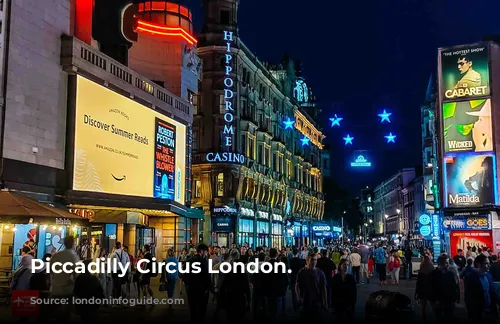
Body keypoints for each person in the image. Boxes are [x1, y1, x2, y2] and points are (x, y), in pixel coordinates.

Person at [49, 236, 80, 320]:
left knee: (56, 312)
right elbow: (76, 274)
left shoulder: (56, 255)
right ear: (73, 243)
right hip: (67, 289)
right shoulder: (73, 256)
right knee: (66, 314)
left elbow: (51, 271)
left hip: (55, 288)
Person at [218, 249, 251, 320]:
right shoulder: (243, 267)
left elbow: (222, 283)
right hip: (240, 297)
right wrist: (249, 300)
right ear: (238, 256)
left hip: (229, 296)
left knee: (229, 316)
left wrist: (221, 299)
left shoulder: (225, 266)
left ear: (230, 256)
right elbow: (246, 284)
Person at [463, 254, 498, 320]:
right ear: (479, 264)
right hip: (478, 313)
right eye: (486, 264)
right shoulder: (470, 279)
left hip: (491, 311)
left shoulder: (489, 276)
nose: (489, 266)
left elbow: (492, 293)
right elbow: (468, 298)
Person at [295, 251, 327, 321]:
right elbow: (297, 285)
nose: (314, 262)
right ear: (307, 260)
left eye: (315, 260)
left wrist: (325, 301)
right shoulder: (302, 272)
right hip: (305, 301)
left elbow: (323, 288)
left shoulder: (320, 273)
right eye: (312, 260)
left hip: (317, 302)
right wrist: (299, 298)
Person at [183, 244, 211, 323]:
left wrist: (187, 285)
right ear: (202, 251)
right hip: (202, 290)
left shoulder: (189, 260)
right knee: (202, 310)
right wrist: (208, 288)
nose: (206, 254)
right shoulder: (204, 261)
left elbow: (184, 275)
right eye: (206, 252)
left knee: (193, 310)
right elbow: (207, 276)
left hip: (191, 289)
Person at [429, 255, 460, 320]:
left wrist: (455, 298)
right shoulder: (433, 275)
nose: (448, 264)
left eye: (448, 262)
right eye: (446, 263)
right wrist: (433, 301)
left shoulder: (450, 274)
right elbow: (431, 289)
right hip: (439, 302)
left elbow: (454, 286)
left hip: (449, 301)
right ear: (440, 264)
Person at [110, 242, 131, 307]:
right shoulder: (125, 253)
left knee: (117, 287)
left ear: (115, 246)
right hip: (124, 272)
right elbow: (128, 263)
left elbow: (111, 265)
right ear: (120, 246)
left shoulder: (113, 255)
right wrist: (129, 272)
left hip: (116, 272)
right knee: (123, 287)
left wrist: (110, 273)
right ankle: (124, 302)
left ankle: (117, 303)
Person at [415, 255, 434, 321]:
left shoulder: (421, 271)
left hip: (422, 289)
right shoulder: (432, 269)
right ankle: (435, 316)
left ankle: (423, 317)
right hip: (431, 290)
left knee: (423, 306)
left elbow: (418, 283)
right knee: (432, 305)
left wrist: (416, 292)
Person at [289, 247, 306, 312]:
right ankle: (300, 304)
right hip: (299, 277)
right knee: (300, 291)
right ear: (298, 253)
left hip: (293, 277)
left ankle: (295, 306)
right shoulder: (300, 260)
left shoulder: (290, 260)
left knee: (293, 292)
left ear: (292, 253)